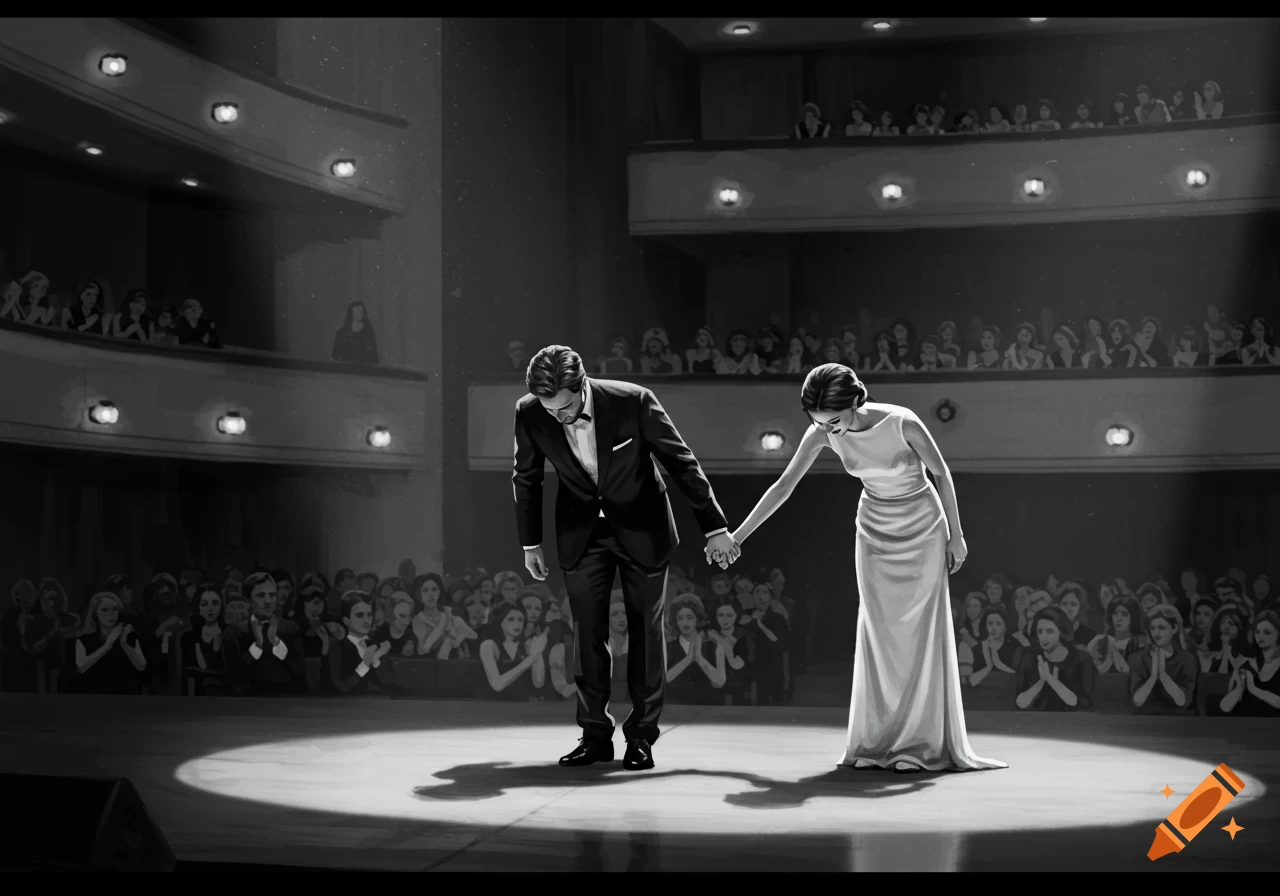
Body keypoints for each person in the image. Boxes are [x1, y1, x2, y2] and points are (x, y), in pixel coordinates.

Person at [721, 363, 1006, 773]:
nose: (830, 431)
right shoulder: (821, 433)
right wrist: (738, 536)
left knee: (921, 633)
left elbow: (941, 474)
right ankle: (877, 743)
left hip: (923, 528)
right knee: (879, 633)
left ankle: (921, 745)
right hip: (873, 531)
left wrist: (957, 536)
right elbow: (783, 486)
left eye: (835, 421)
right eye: (820, 423)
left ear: (857, 401)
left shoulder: (901, 422)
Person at [512, 345, 738, 771]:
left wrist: (715, 527)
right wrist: (530, 543)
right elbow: (526, 478)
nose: (557, 417)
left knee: (646, 635)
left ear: (582, 388)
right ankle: (594, 735)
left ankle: (641, 738)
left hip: (644, 530)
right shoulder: (528, 412)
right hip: (580, 535)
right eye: (548, 409)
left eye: (565, 408)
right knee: (586, 636)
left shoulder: (632, 400)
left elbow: (681, 461)